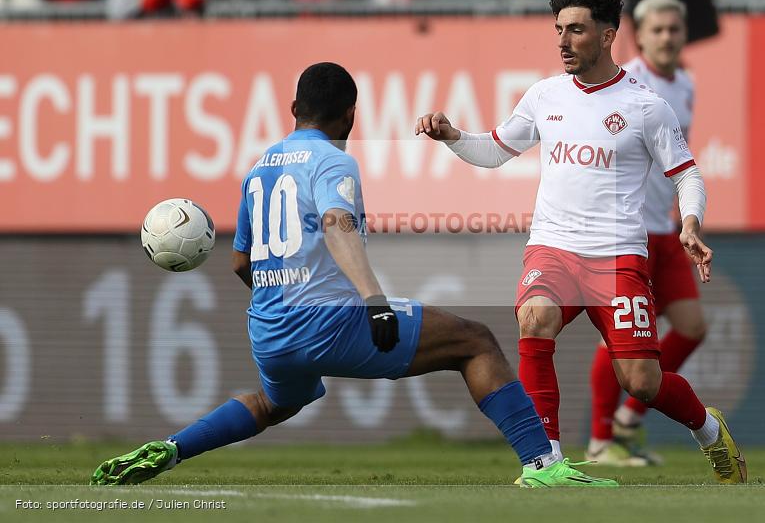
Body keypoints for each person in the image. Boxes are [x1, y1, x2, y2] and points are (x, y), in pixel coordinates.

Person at [91, 62, 616, 489]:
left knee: (274, 403)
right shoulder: (334, 162)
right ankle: (543, 467)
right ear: (351, 116)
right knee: (475, 342)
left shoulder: (260, 168)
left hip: (269, 332)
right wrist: (373, 299)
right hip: (332, 321)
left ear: (294, 109)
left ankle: (172, 448)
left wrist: (284, 299)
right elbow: (338, 223)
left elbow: (239, 262)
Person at [415, 0, 746, 484]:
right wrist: (454, 136)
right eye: (558, 29)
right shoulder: (545, 95)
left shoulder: (645, 106)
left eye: (576, 30)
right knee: (535, 318)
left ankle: (708, 430)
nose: (563, 41)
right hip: (553, 247)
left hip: (617, 258)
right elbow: (496, 150)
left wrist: (691, 222)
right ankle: (545, 463)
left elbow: (688, 174)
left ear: (609, 35)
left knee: (641, 383)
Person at [587, 0, 707, 466]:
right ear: (640, 35)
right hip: (626, 232)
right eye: (657, 30)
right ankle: (600, 442)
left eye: (674, 29)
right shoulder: (624, 83)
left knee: (692, 328)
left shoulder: (687, 86)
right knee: (614, 340)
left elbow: (678, 160)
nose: (667, 37)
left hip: (666, 228)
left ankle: (628, 418)